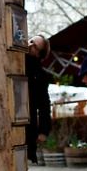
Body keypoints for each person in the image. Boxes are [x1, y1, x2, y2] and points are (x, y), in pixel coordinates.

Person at [25, 34, 52, 164]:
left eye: (35, 46)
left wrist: (43, 130)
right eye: (30, 41)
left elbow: (44, 105)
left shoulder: (40, 76)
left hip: (26, 124)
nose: (30, 45)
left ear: (39, 54)